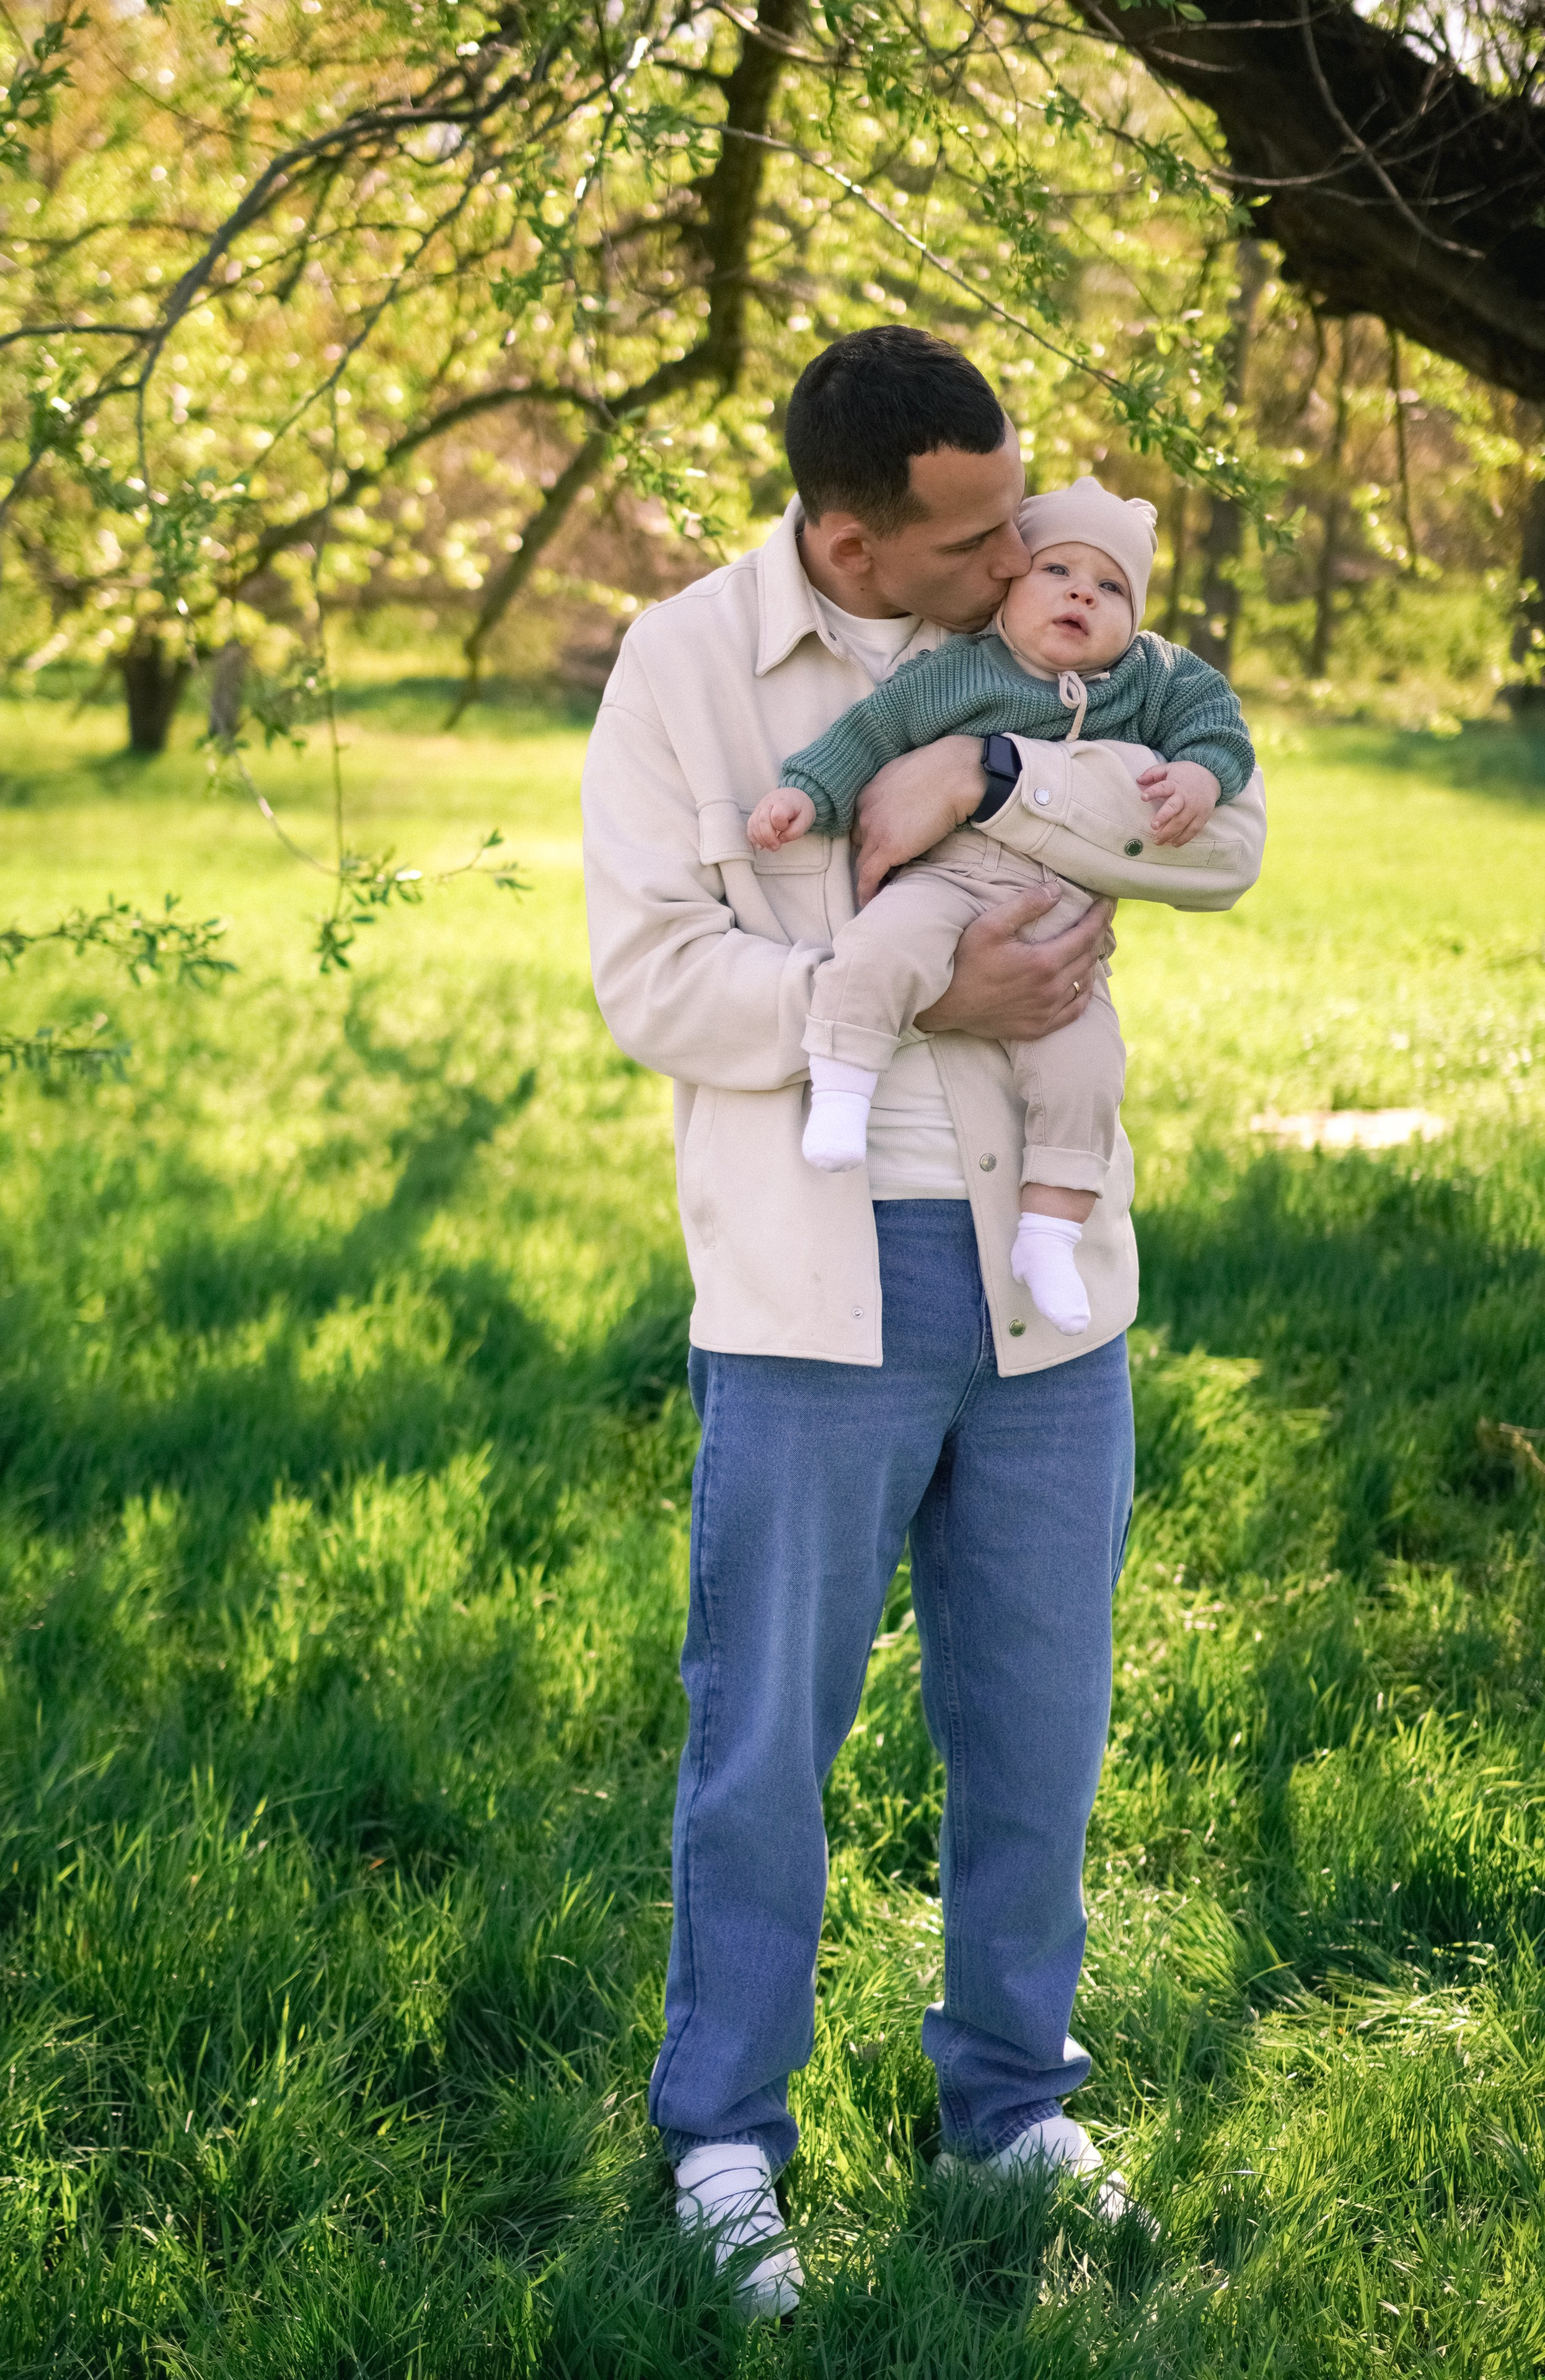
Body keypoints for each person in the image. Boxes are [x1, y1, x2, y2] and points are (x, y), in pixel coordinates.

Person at [582, 327, 1168, 2319]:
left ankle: (1012, 2103)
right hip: (813, 1286)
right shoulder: (687, 669)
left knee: (1037, 1723)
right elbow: (655, 980)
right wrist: (920, 990)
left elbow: (1215, 834)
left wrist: (998, 767)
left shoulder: (1058, 634)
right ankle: (724, 2134)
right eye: (978, 534)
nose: (1025, 555)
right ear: (852, 541)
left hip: (1047, 1280)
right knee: (766, 1736)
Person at [744, 475, 1257, 1337]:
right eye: (1057, 571)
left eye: (1110, 587)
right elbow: (867, 737)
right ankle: (843, 1088)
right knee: (880, 949)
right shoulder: (960, 671)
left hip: (1066, 911)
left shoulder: (1154, 679)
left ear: (1136, 618)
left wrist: (1204, 773)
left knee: (1089, 1069)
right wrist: (806, 794)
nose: (1081, 595)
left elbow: (1219, 725)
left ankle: (1050, 1235)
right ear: (1009, 588)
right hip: (948, 878)